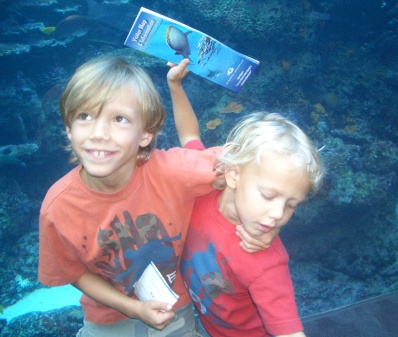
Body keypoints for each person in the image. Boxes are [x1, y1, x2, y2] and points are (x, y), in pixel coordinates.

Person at [38, 56, 275, 337]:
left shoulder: (175, 172)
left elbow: (254, 168)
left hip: (173, 307)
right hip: (108, 316)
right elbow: (74, 272)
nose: (99, 133)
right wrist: (132, 308)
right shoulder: (58, 207)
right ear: (68, 127)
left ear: (146, 134)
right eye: (84, 116)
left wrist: (266, 224)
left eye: (119, 119)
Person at [168, 66, 324, 336]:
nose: (277, 214)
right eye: (268, 196)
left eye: (291, 204)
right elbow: (190, 138)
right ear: (232, 175)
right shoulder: (201, 187)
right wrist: (175, 86)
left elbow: (289, 331)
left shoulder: (265, 260)